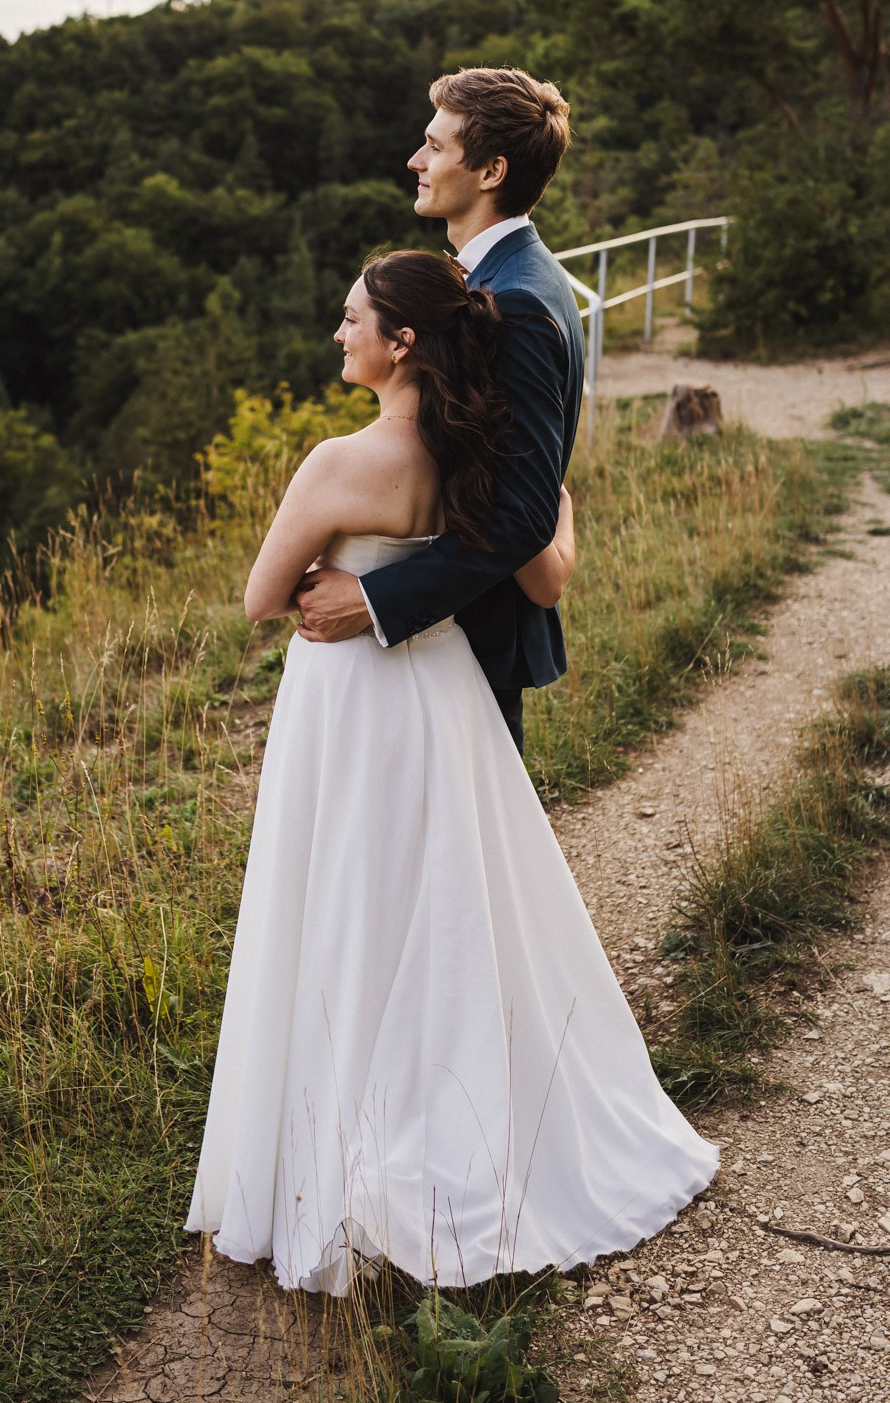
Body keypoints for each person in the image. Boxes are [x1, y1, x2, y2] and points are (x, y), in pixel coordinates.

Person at [183, 250, 717, 1295]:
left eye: (352, 320)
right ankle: (449, 1113)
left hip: (346, 702)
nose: (338, 334)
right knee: (440, 911)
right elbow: (543, 562)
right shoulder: (467, 454)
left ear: (402, 341)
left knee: (343, 903)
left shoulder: (338, 462)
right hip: (438, 695)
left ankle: (341, 1139)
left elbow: (258, 596)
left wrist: (316, 576)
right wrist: (556, 518)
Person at [295, 66, 584, 758]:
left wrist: (373, 600)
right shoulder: (507, 276)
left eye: (436, 146)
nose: (414, 161)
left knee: (475, 856)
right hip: (454, 635)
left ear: (491, 171)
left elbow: (519, 515)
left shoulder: (514, 302)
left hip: (472, 635)